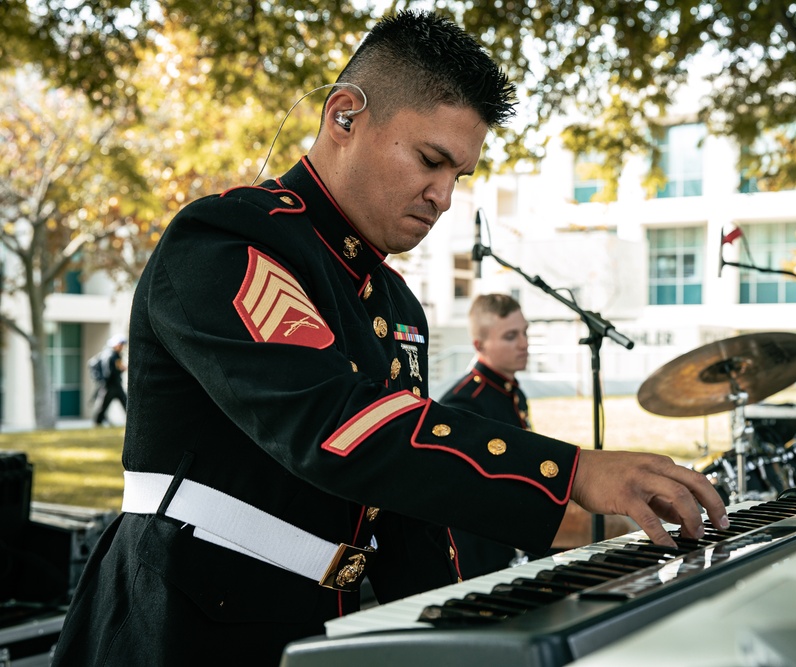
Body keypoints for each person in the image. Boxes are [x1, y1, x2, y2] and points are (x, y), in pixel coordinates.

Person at [52, 11, 727, 666]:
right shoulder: (231, 240)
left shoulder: (395, 301)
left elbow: (404, 496)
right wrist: (572, 473)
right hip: (182, 622)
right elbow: (335, 426)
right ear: (345, 115)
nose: (442, 196)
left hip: (327, 620)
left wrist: (466, 621)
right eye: (431, 160)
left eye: (458, 175)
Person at [439, 294, 532, 578]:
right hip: (480, 558)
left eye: (525, 332)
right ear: (480, 345)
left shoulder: (511, 392)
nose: (524, 344)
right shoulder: (464, 403)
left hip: (511, 540)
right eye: (510, 336)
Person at [93, 334, 127, 426]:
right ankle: (97, 422)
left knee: (126, 403)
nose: (122, 347)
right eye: (120, 344)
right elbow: (109, 372)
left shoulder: (117, 355)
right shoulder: (110, 355)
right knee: (103, 406)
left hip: (116, 385)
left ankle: (130, 421)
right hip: (110, 386)